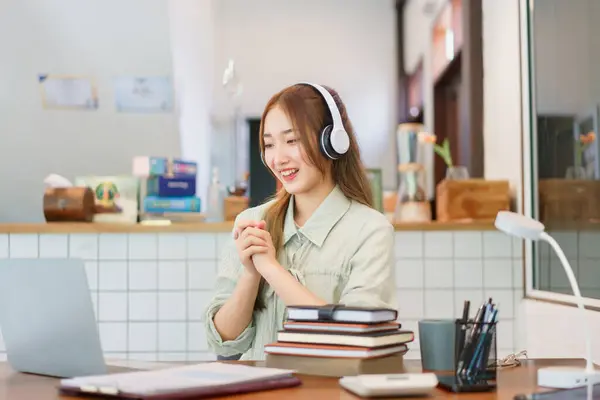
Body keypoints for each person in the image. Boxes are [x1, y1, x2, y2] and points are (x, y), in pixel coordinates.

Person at [204, 82, 397, 361]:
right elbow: (222, 344)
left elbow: (354, 337)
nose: (278, 158)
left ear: (331, 142)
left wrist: (270, 268)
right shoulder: (251, 222)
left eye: (292, 140)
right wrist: (250, 274)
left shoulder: (371, 232)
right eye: (269, 144)